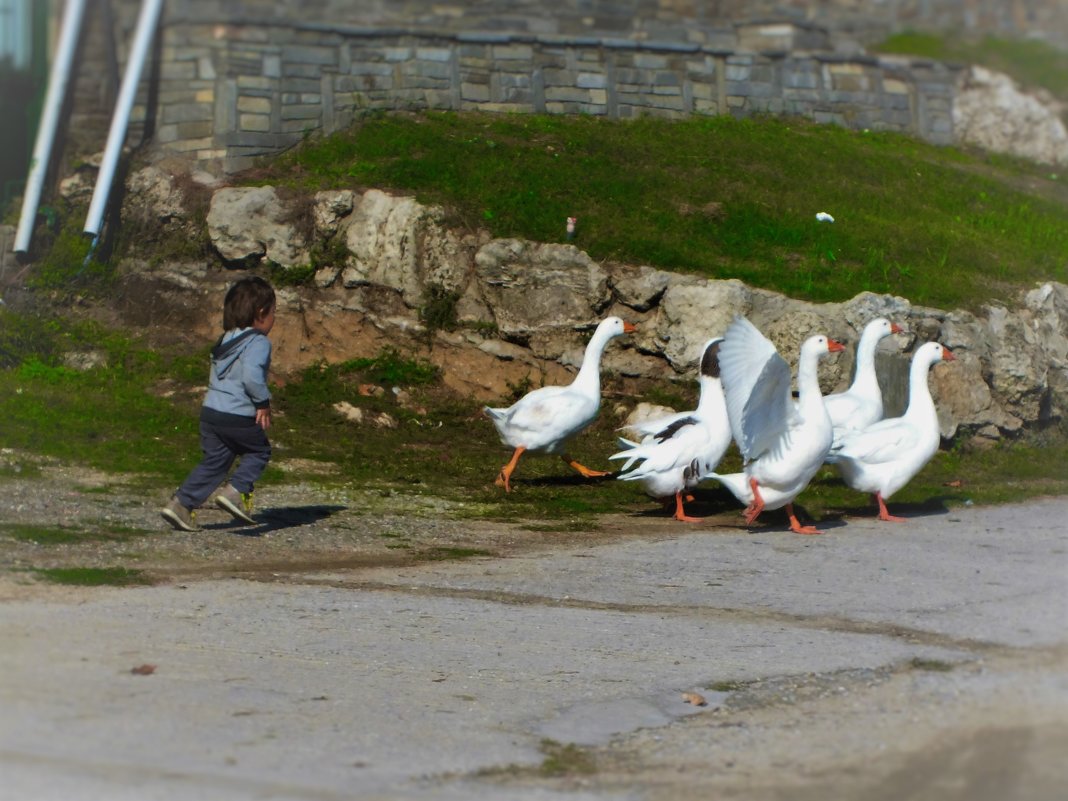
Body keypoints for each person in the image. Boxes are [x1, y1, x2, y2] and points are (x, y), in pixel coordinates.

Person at [161, 276, 276, 531]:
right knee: (259, 451)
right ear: (261, 313)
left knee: (216, 460)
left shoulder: (226, 339)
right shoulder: (258, 342)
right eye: (273, 312)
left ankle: (181, 504)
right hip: (238, 415)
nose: (274, 319)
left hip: (211, 414)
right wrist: (262, 402)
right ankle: (235, 492)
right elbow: (251, 375)